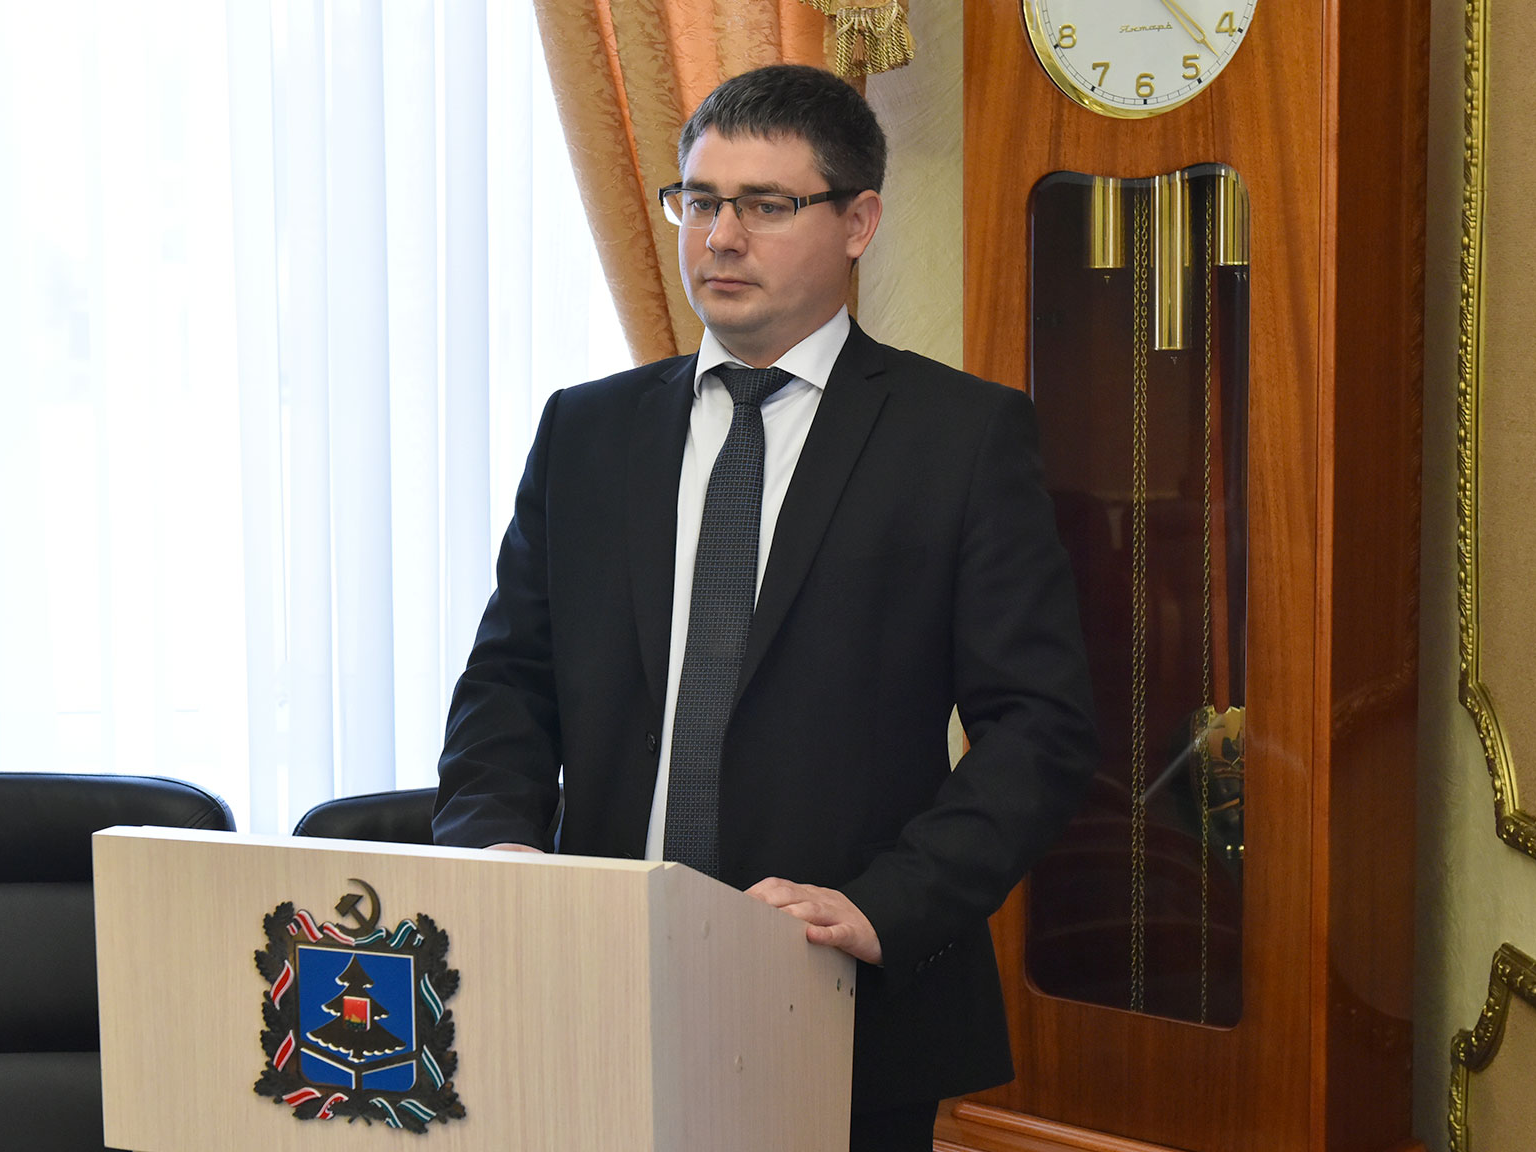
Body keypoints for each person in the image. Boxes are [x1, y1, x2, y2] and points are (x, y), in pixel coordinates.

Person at [433, 64, 1097, 1150]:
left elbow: (1041, 727)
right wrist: (498, 848)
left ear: (858, 222)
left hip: (845, 999)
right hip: (594, 988)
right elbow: (509, 682)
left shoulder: (960, 438)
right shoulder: (588, 431)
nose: (721, 237)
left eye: (766, 205)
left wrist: (889, 901)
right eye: (700, 201)